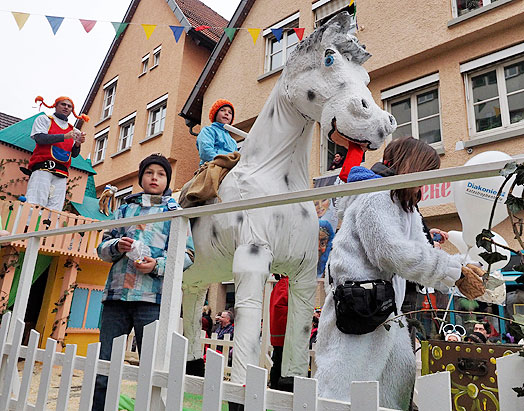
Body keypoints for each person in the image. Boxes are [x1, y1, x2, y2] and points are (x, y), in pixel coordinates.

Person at [315, 137, 485, 408]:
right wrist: (455, 273)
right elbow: (394, 253)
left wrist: (457, 270)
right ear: (412, 166)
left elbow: (417, 250)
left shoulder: (404, 206)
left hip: (383, 311)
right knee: (343, 393)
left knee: (393, 388)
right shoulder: (377, 196)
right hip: (359, 309)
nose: (426, 183)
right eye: (425, 172)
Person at [92, 154, 195, 411]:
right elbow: (101, 249)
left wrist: (157, 265)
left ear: (167, 180)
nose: (154, 178)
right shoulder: (124, 209)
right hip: (116, 296)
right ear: (141, 178)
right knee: (105, 365)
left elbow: (187, 255)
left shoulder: (175, 212)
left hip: (152, 299)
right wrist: (117, 245)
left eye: (161, 174)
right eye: (149, 172)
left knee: (152, 368)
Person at [25, 96, 89, 210]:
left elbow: (73, 154)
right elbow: (40, 138)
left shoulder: (73, 130)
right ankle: (28, 226)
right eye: (63, 104)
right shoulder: (44, 119)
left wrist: (78, 144)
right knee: (35, 203)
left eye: (69, 106)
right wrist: (65, 136)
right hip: (43, 168)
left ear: (72, 111)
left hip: (62, 173)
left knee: (55, 209)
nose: (66, 107)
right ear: (55, 105)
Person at [196, 99, 238, 165]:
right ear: (215, 114)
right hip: (213, 166)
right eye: (222, 110)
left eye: (230, 112)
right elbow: (205, 151)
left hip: (229, 169)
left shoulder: (233, 142)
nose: (226, 113)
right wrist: (221, 162)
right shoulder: (208, 131)